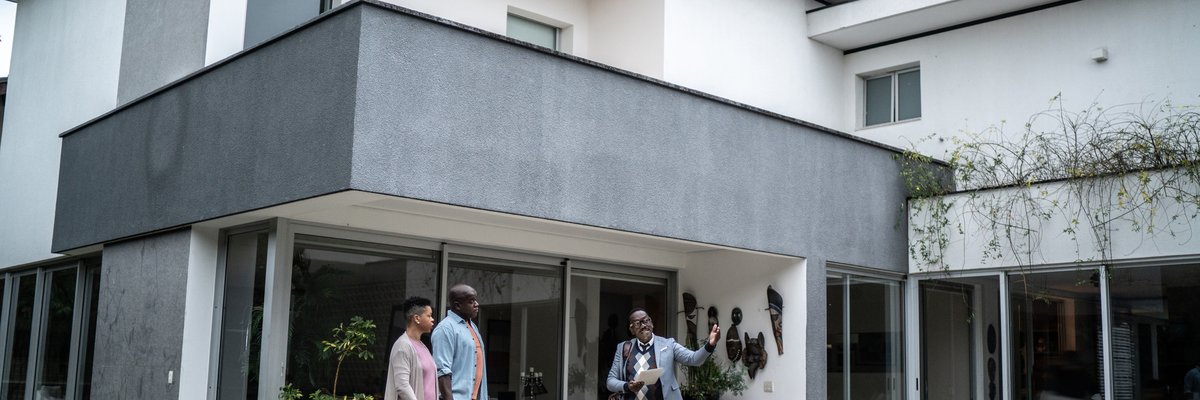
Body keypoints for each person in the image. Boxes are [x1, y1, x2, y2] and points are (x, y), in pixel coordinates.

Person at [606, 308, 720, 400]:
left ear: (651, 323)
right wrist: (627, 387)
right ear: (631, 330)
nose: (644, 325)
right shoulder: (623, 348)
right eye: (637, 323)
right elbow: (610, 381)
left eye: (646, 320)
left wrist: (710, 345)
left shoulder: (668, 344)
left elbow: (694, 359)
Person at [432, 284, 487, 400]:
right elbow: (442, 371)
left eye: (475, 300)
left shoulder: (473, 327)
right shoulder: (445, 329)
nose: (476, 304)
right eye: (471, 301)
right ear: (458, 305)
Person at [386, 297, 437, 400]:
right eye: (429, 316)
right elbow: (402, 385)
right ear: (417, 318)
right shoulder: (402, 346)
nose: (432, 319)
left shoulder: (422, 346)